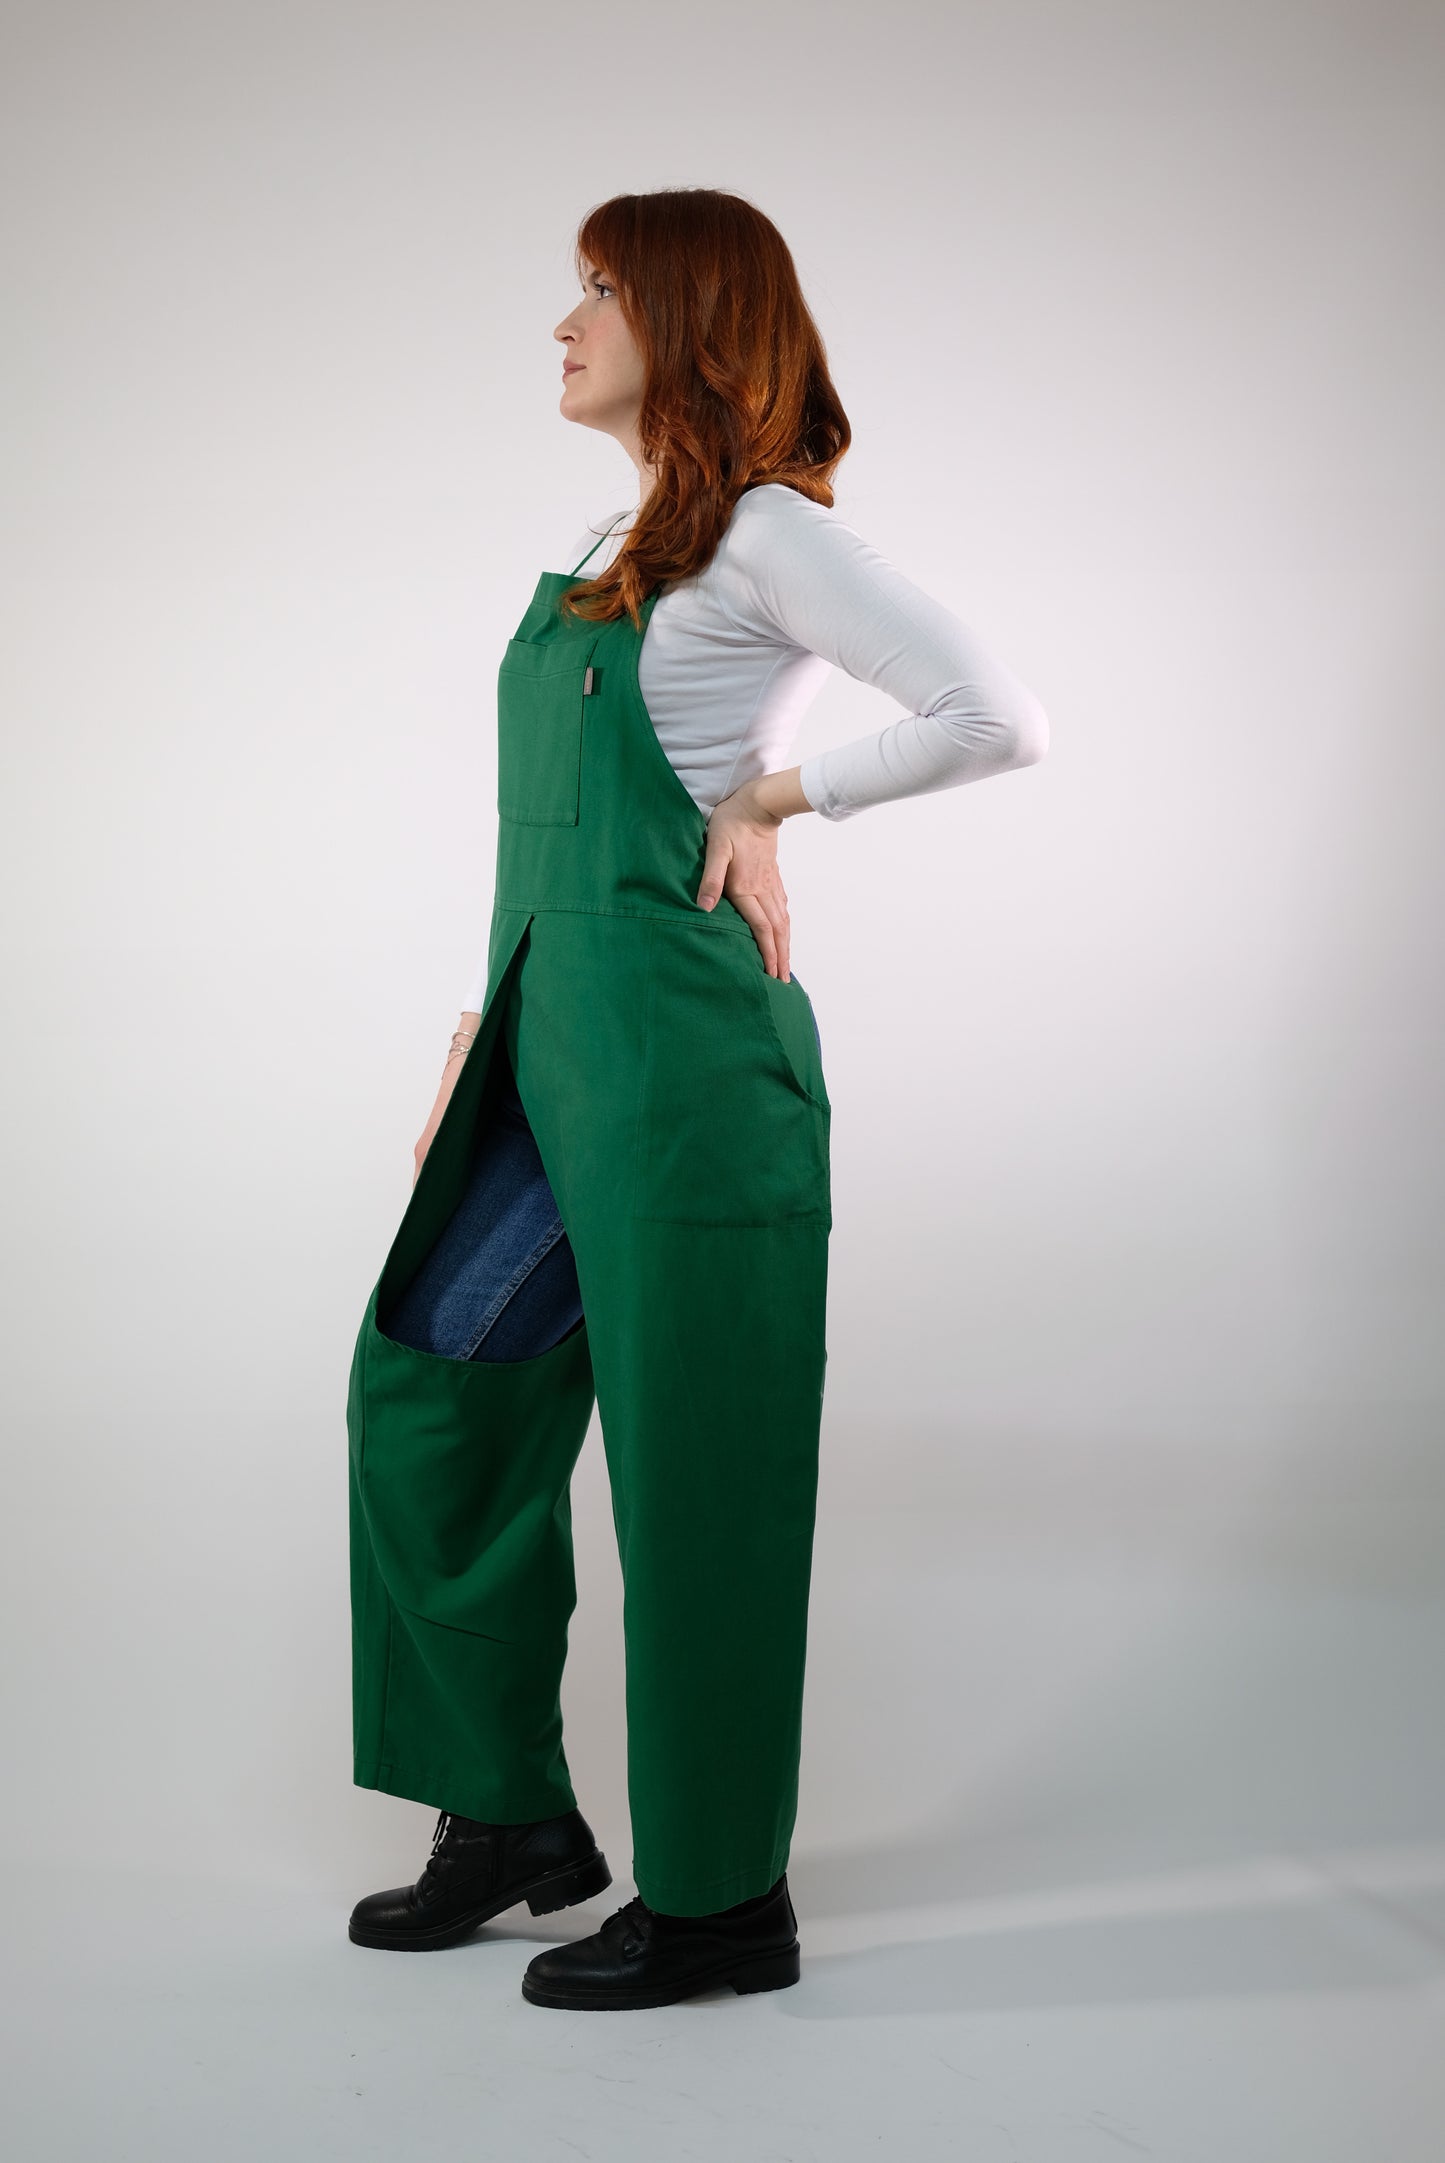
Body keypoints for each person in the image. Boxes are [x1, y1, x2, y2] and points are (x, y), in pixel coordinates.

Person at [345, 187, 1049, 2013]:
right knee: (430, 1393)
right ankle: (508, 1815)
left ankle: (724, 1902)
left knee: (699, 1484)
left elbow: (995, 714)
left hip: (686, 1081)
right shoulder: (613, 533)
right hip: (543, 1045)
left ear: (688, 313)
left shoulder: (759, 535)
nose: (563, 320)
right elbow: (557, 830)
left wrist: (774, 805)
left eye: (598, 289)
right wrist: (472, 1042)